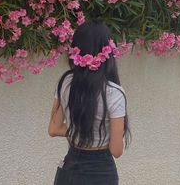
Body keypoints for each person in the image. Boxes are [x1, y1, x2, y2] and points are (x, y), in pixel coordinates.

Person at [48, 19, 132, 185]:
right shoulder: (114, 92)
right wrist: (96, 133)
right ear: (108, 51)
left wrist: (81, 130)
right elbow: (116, 150)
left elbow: (54, 128)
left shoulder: (65, 82)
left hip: (70, 168)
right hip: (100, 172)